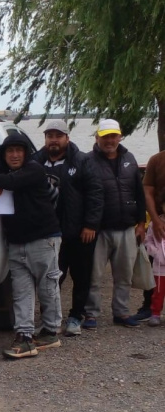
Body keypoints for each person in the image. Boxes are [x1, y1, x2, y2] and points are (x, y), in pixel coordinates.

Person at [0, 134, 63, 359]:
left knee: (48, 288)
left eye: (19, 150)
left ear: (26, 153)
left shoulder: (34, 169)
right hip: (16, 241)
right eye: (10, 151)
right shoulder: (2, 169)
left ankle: (50, 332)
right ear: (4, 154)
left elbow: (12, 183)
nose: (15, 155)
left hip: (43, 238)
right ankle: (25, 337)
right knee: (21, 292)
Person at [32, 121, 103, 336]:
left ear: (67, 138)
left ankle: (75, 317)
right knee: (51, 279)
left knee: (81, 277)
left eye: (58, 135)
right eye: (49, 135)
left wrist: (91, 224)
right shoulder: (35, 162)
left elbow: (95, 194)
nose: (54, 139)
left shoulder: (82, 161)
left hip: (80, 232)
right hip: (48, 233)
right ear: (45, 139)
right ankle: (49, 319)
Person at [84, 119, 147, 329]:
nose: (110, 140)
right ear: (97, 138)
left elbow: (139, 192)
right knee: (93, 275)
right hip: (98, 230)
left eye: (113, 136)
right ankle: (91, 314)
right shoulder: (87, 161)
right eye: (105, 136)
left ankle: (121, 312)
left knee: (124, 275)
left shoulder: (129, 158)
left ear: (120, 137)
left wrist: (141, 223)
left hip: (127, 228)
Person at [135, 145, 165, 321]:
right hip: (159, 218)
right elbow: (147, 191)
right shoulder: (157, 160)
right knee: (153, 266)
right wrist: (155, 219)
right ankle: (149, 307)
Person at [144, 190, 165, 326]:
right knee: (158, 292)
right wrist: (155, 252)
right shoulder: (155, 223)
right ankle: (155, 313)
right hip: (160, 266)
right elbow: (148, 241)